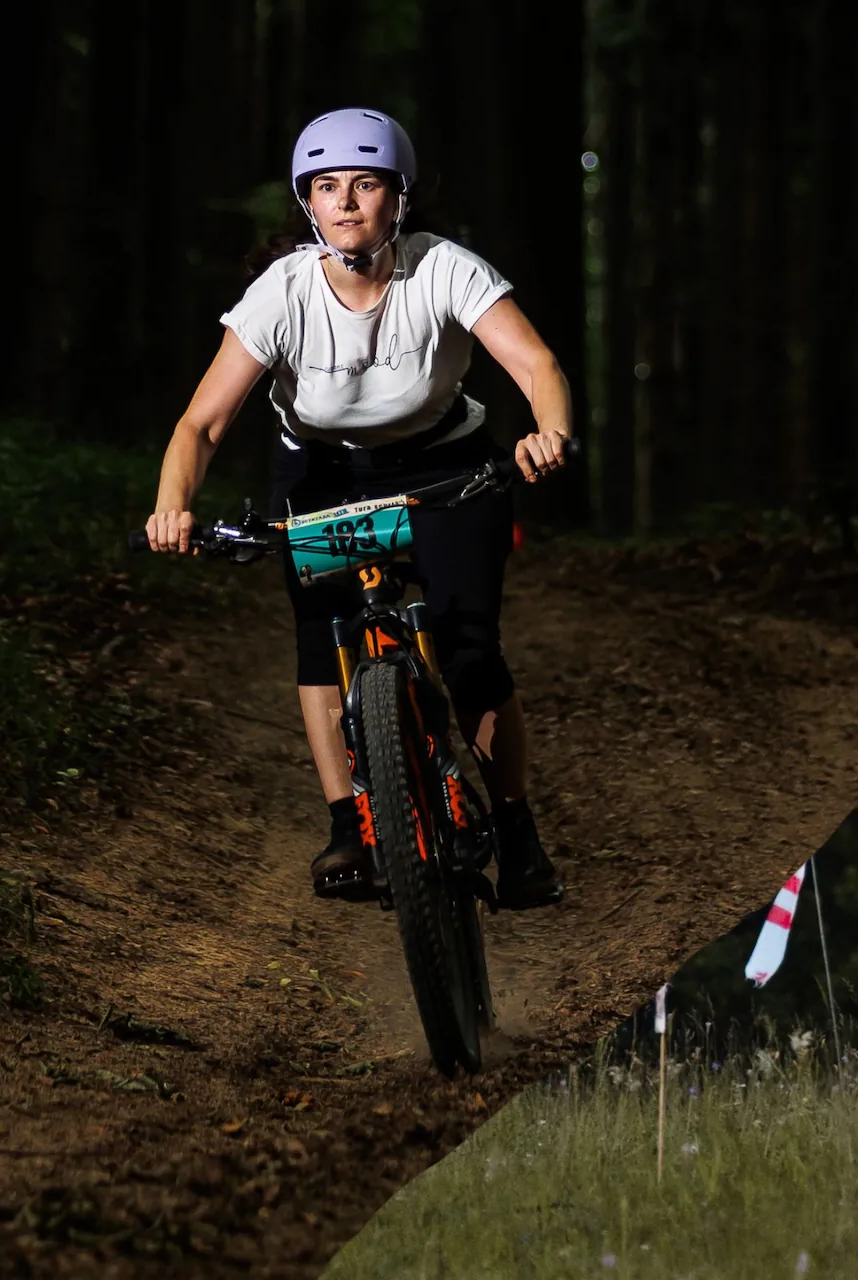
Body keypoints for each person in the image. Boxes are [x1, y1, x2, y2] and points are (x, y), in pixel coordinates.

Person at [141, 107, 570, 909]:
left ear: (398, 198)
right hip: (323, 473)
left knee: (471, 653)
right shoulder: (283, 292)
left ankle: (517, 830)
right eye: (326, 186)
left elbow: (536, 363)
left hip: (445, 464)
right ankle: (349, 822)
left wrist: (550, 431)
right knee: (321, 641)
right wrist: (173, 505)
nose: (345, 202)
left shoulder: (444, 269)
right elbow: (202, 424)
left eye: (366, 184)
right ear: (307, 202)